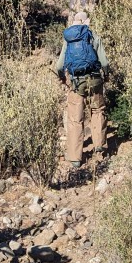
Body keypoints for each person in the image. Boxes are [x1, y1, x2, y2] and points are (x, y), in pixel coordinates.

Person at [55, 11, 109, 168]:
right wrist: (106, 75)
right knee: (97, 111)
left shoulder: (68, 40)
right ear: (86, 23)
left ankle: (75, 158)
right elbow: (104, 63)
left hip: (77, 83)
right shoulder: (93, 36)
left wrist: (62, 77)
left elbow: (59, 66)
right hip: (95, 80)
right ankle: (99, 147)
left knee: (75, 119)